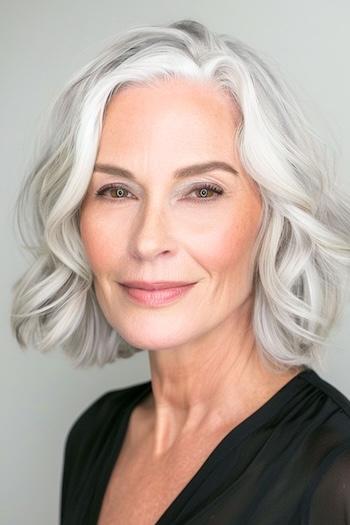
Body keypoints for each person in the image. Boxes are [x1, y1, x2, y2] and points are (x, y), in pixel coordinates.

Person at [10, 18, 350, 525]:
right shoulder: (95, 434)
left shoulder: (337, 475)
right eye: (117, 191)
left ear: (272, 218)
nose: (148, 241)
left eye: (202, 191)